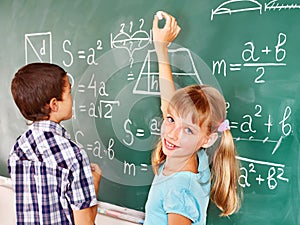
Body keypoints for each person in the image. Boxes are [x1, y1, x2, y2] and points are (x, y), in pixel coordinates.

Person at [144, 12, 241, 225]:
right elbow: (170, 106)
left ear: (207, 138)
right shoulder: (194, 156)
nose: (172, 133)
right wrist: (161, 48)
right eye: (170, 120)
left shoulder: (180, 190)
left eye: (188, 130)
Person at [8, 63, 101, 225]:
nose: (73, 98)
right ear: (54, 104)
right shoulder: (72, 154)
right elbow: (85, 222)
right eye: (69, 92)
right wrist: (94, 184)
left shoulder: (18, 148)